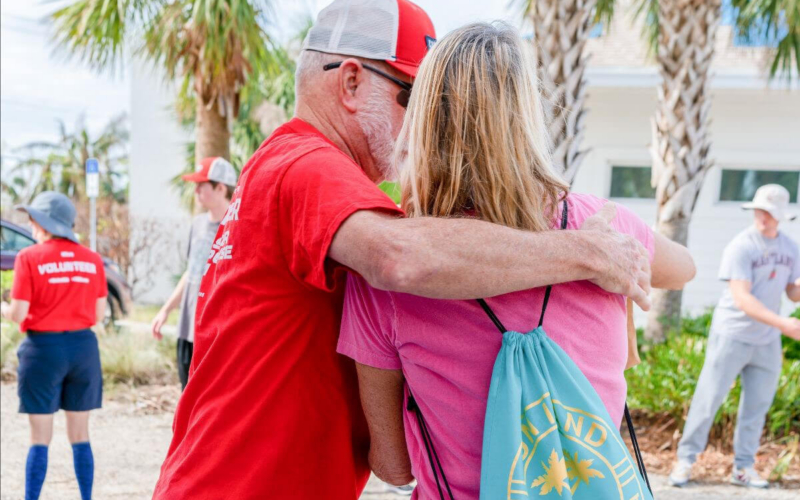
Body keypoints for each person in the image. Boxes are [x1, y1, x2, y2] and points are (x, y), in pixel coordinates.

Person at [152, 1, 654, 498]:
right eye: (412, 96)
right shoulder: (308, 164)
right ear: (351, 82)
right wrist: (587, 252)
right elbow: (399, 258)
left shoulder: (291, 166)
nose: (427, 122)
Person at [336, 23, 696, 499]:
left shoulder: (385, 270)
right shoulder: (604, 231)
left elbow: (393, 466)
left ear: (424, 119)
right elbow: (684, 268)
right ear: (527, 115)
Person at [669, 184, 800, 489]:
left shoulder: (790, 248)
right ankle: (685, 460)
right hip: (732, 334)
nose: (763, 216)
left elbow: (792, 293)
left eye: (769, 212)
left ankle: (743, 468)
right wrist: (783, 324)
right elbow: (742, 298)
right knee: (708, 399)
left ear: (781, 215)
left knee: (757, 405)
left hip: (766, 340)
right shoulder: (741, 246)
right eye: (760, 210)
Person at [1, 192, 107, 500]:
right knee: (80, 435)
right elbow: (99, 314)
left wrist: (3, 308)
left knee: (40, 438)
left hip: (43, 350)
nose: (31, 225)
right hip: (83, 349)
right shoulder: (93, 259)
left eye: (32, 219)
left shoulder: (28, 257)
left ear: (44, 223)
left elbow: (18, 313)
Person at [150, 156, 237, 390]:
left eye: (201, 185)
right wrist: (165, 310)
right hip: (188, 329)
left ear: (221, 188)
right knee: (187, 393)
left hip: (217, 333)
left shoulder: (236, 227)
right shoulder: (197, 225)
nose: (196, 191)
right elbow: (191, 272)